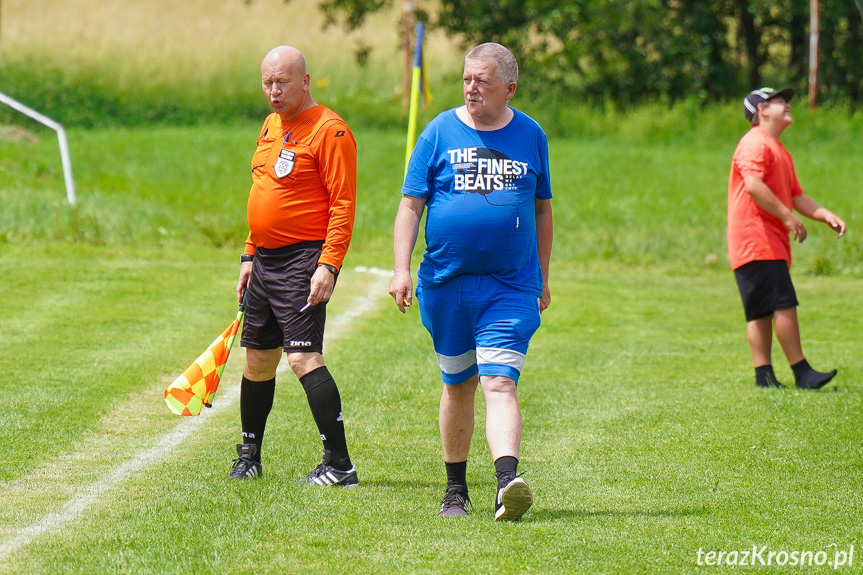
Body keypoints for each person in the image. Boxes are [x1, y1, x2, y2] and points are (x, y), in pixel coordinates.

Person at [389, 43, 553, 521]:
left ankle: (507, 484)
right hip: (446, 283)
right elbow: (410, 204)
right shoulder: (439, 131)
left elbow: (543, 208)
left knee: (499, 381)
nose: (472, 87)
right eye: (466, 79)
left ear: (510, 87)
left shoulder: (531, 135)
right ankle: (455, 490)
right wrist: (401, 268)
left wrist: (543, 274)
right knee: (458, 383)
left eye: (482, 80)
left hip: (510, 286)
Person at [227, 45, 358, 485]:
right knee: (258, 361)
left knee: (303, 359)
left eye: (282, 82)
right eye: (267, 82)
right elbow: (262, 191)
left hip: (303, 259)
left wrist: (329, 265)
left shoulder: (330, 130)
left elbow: (343, 204)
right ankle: (249, 457)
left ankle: (340, 465)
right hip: (264, 259)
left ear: (305, 80)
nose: (274, 91)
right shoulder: (270, 125)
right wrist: (249, 253)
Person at [728, 87, 846, 390]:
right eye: (781, 101)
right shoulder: (754, 142)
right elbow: (753, 185)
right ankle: (802, 371)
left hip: (761, 240)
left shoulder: (777, 149)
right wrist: (786, 216)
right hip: (757, 238)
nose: (788, 105)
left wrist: (824, 215)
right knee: (782, 303)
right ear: (762, 110)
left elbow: (795, 195)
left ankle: (764, 377)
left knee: (762, 308)